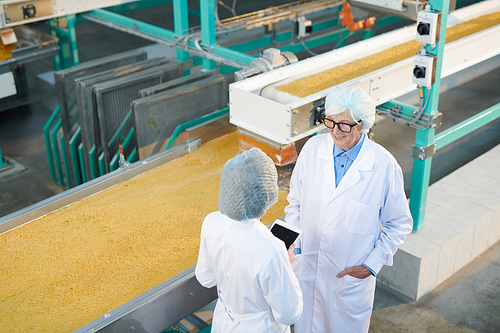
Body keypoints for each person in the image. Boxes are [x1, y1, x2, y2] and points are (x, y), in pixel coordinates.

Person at [285, 86, 413, 332]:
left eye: (344, 125)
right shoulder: (313, 150)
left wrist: (371, 265)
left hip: (348, 281)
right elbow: (295, 203)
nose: (335, 132)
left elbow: (399, 224)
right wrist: (297, 247)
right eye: (330, 122)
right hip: (307, 268)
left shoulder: (383, 166)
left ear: (362, 124)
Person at [195, 147, 303, 333]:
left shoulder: (211, 221)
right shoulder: (272, 249)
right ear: (266, 193)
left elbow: (205, 279)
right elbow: (289, 313)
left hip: (224, 323)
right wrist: (288, 263)